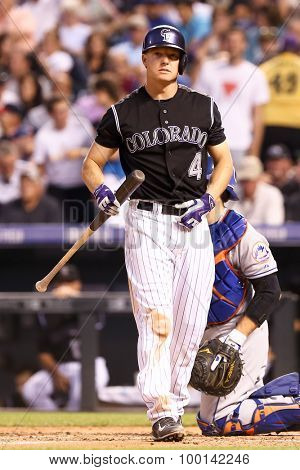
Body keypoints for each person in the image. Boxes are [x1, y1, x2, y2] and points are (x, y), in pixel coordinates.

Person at [82, 25, 233, 442]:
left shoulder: (204, 107)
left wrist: (211, 196)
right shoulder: (121, 112)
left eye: (173, 54)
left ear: (181, 61)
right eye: (157, 53)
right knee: (156, 315)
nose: (165, 60)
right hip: (146, 220)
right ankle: (161, 410)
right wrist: (101, 190)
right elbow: (91, 162)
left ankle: (176, 400)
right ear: (144, 60)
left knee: (188, 321)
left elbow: (224, 162)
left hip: (192, 221)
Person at [195, 162, 300, 436]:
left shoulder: (241, 232)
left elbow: (269, 292)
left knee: (219, 422)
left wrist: (235, 340)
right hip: (206, 331)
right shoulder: (183, 230)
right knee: (210, 421)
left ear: (220, 188)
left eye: (202, 184)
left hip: (240, 328)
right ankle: (292, 392)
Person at [20, 265, 109, 411]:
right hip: (61, 366)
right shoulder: (47, 312)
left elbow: (101, 313)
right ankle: (55, 422)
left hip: (90, 365)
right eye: (62, 283)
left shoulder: (91, 303)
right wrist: (56, 374)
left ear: (79, 284)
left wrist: (76, 297)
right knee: (31, 390)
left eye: (70, 282)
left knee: (80, 395)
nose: (66, 288)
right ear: (56, 287)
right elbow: (43, 351)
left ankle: (76, 426)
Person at [194, 28, 269, 167]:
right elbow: (198, 106)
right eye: (229, 41)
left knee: (237, 187)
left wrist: (255, 151)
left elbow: (258, 115)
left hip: (241, 142)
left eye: (236, 41)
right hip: (211, 142)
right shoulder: (209, 68)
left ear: (245, 44)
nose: (232, 45)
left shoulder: (256, 73)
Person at [32, 96, 94, 222]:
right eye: (59, 112)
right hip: (57, 190)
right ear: (50, 114)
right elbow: (39, 165)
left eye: (65, 111)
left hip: (82, 187)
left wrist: (80, 152)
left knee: (86, 225)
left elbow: (98, 152)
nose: (63, 115)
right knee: (58, 228)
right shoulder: (43, 135)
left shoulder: (82, 125)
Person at [232, 155, 285, 225]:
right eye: (243, 180)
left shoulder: (272, 194)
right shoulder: (232, 194)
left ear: (258, 178)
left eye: (249, 180)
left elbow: (274, 227)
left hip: (265, 235)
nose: (246, 184)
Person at [264, 144, 300, 222]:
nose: (275, 165)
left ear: (289, 163)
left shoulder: (296, 183)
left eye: (279, 161)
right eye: (271, 161)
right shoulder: (264, 187)